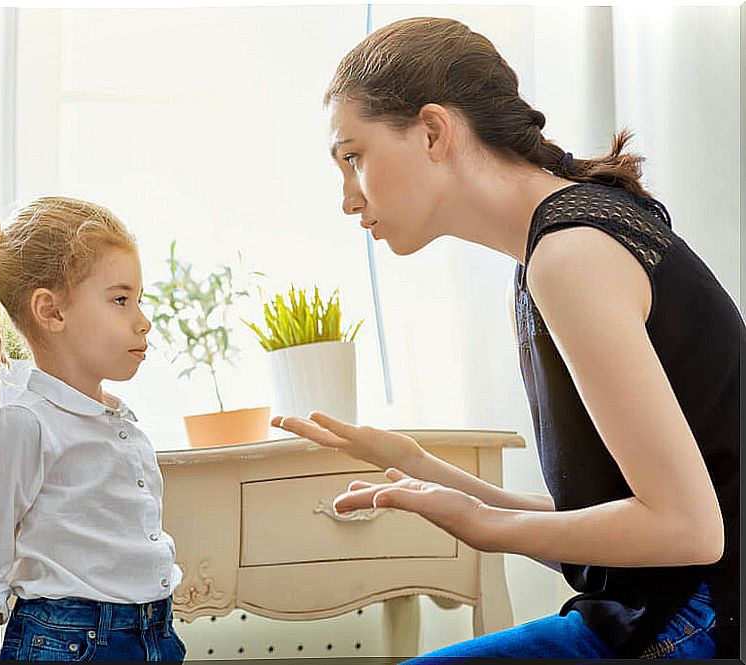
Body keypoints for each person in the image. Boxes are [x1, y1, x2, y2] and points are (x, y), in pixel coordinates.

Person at [273, 16, 741, 659]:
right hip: (678, 606)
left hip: (704, 617)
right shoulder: (551, 250)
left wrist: (491, 527)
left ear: (434, 131)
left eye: (354, 157)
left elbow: (689, 532)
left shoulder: (571, 254)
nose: (348, 200)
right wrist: (422, 468)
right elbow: (624, 523)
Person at [0, 196, 186, 662]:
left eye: (139, 301)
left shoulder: (119, 424)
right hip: (70, 644)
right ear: (52, 312)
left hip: (154, 636)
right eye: (121, 300)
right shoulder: (23, 423)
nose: (143, 321)